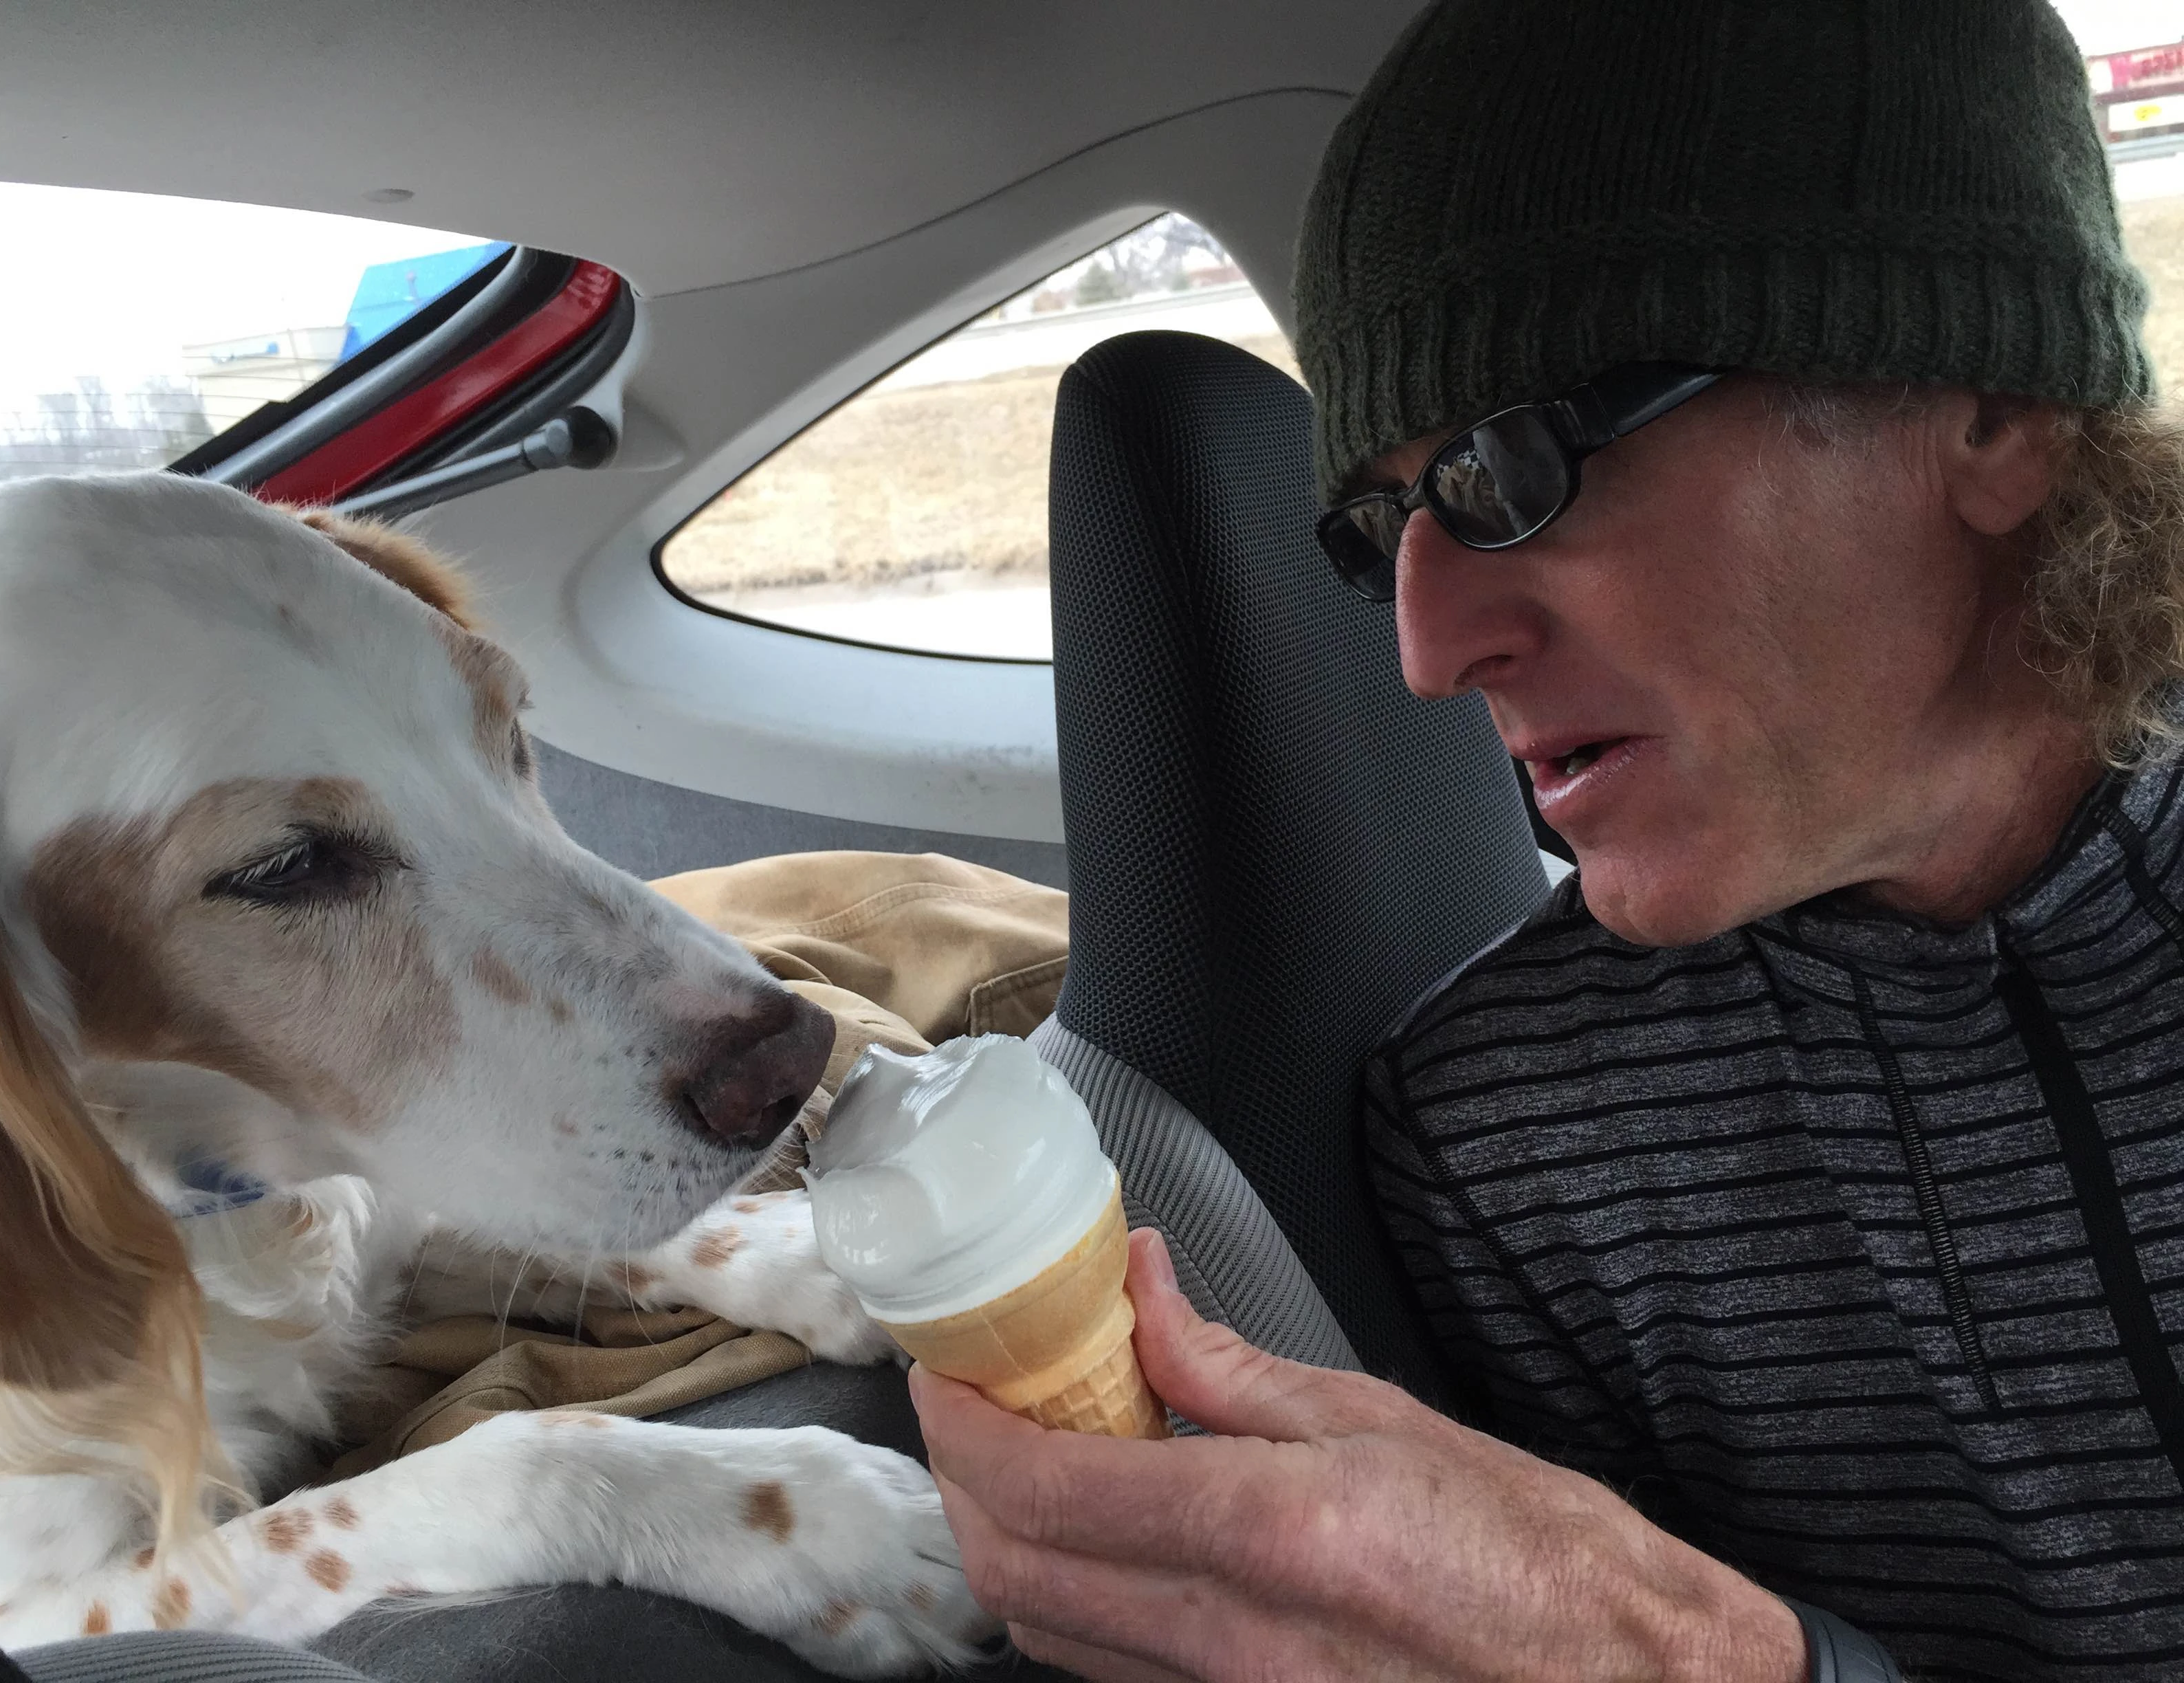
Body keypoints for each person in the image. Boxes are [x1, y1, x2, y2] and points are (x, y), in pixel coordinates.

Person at [909, 3, 2184, 1679]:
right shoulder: (1502, 1126)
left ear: (1991, 413)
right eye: (1385, 534)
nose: (1429, 654)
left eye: (1513, 470)